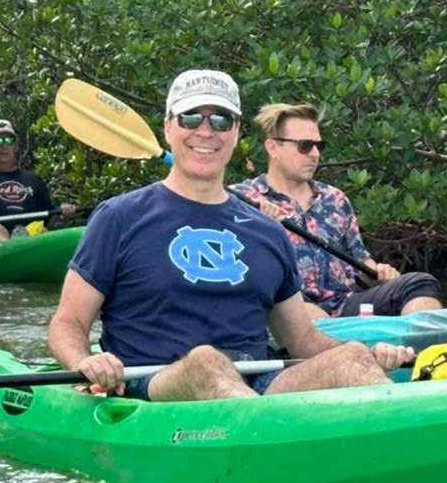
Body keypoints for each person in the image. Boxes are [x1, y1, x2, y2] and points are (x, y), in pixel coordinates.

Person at [47, 69, 414, 401]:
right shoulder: (119, 217)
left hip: (258, 383)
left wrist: (368, 350)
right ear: (168, 128)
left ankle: (408, 445)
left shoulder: (268, 232)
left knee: (349, 360)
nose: (206, 131)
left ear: (236, 133)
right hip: (156, 384)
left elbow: (302, 340)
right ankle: (264, 450)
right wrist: (85, 361)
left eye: (221, 121)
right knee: (206, 362)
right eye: (191, 117)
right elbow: (68, 323)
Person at [234, 102, 443, 320]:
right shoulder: (243, 199)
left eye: (318, 146)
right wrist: (262, 226)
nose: (314, 154)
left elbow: (360, 258)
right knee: (305, 312)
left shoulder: (335, 198)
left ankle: (420, 349)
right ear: (273, 148)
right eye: (305, 146)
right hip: (288, 306)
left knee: (419, 284)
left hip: (344, 304)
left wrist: (380, 272)